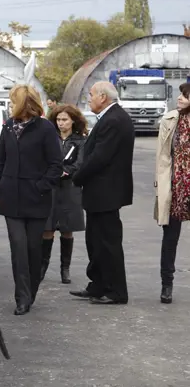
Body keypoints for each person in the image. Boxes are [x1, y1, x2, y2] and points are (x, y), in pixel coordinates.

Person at [0, 84, 63, 316]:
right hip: (12, 198)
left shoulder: (45, 129)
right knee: (18, 248)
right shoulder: (8, 127)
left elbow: (55, 165)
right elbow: (0, 160)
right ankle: (22, 297)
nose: (10, 105)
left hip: (37, 199)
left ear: (24, 103)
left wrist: (41, 186)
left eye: (13, 101)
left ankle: (31, 290)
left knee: (33, 249)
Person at [71, 81, 134, 305]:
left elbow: (100, 157)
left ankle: (116, 291)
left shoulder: (114, 120)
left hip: (107, 192)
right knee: (95, 241)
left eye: (91, 95)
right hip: (100, 193)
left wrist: (77, 177)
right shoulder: (111, 117)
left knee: (108, 243)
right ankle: (97, 285)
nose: (88, 98)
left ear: (103, 97)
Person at [41, 104, 88, 284]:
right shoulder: (49, 138)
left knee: (67, 229)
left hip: (70, 187)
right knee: (48, 228)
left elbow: (81, 162)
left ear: (73, 121)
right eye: (58, 120)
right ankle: (43, 265)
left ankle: (65, 268)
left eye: (64, 120)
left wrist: (67, 171)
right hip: (51, 187)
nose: (61, 123)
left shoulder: (80, 140)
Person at [154, 81, 190, 304]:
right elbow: (162, 156)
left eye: (185, 96)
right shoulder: (170, 120)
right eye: (180, 95)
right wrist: (160, 183)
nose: (180, 99)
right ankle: (166, 284)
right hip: (175, 185)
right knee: (170, 238)